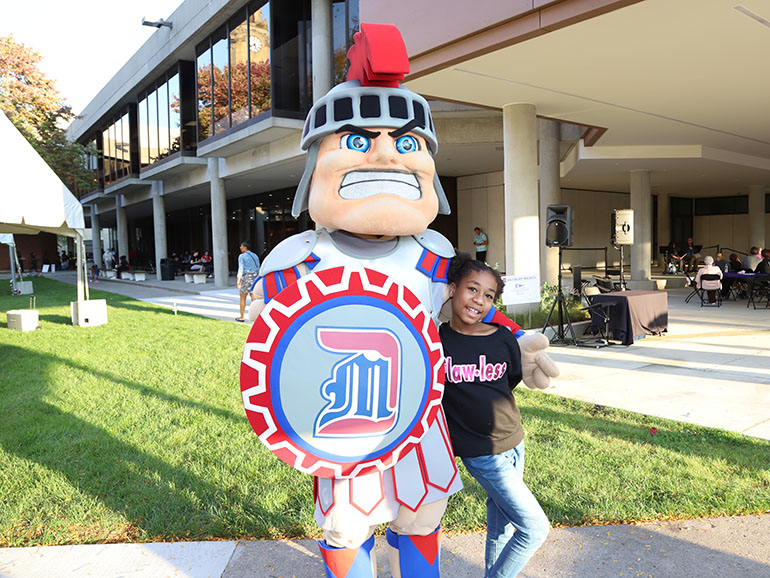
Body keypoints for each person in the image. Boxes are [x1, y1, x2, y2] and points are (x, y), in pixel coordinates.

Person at [241, 23, 558, 578]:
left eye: (408, 143)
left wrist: (518, 340)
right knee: (345, 525)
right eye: (360, 141)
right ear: (317, 163)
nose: (387, 156)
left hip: (417, 418)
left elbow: (469, 302)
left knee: (420, 514)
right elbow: (273, 341)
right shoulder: (297, 257)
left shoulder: (429, 250)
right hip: (343, 424)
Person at [440, 253, 551, 577]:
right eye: (472, 289)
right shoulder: (437, 341)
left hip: (514, 441)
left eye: (488, 295)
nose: (479, 300)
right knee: (534, 528)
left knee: (501, 526)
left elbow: (509, 381)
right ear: (452, 289)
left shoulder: (502, 338)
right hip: (480, 452)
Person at [235, 241, 260, 322]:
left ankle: (242, 317)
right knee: (254, 298)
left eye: (241, 246)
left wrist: (238, 280)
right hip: (255, 277)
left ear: (245, 247)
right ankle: (257, 317)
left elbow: (241, 268)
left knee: (243, 297)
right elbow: (258, 267)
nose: (240, 248)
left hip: (246, 277)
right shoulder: (255, 255)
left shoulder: (242, 256)